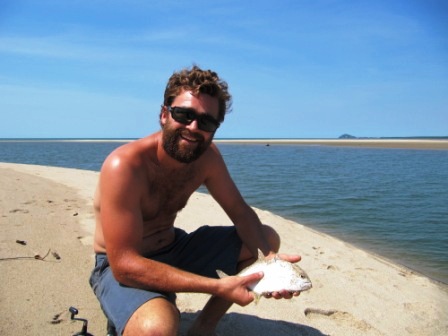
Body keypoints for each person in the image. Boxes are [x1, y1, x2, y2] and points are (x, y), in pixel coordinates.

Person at [90, 65, 302, 336]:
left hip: (173, 247)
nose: (193, 127)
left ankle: (203, 327)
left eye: (206, 122)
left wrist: (272, 264)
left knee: (266, 238)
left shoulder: (207, 159)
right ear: (164, 114)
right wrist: (217, 286)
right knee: (157, 329)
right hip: (120, 265)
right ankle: (143, 309)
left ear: (215, 128)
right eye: (184, 114)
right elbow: (124, 265)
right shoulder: (125, 165)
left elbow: (240, 212)